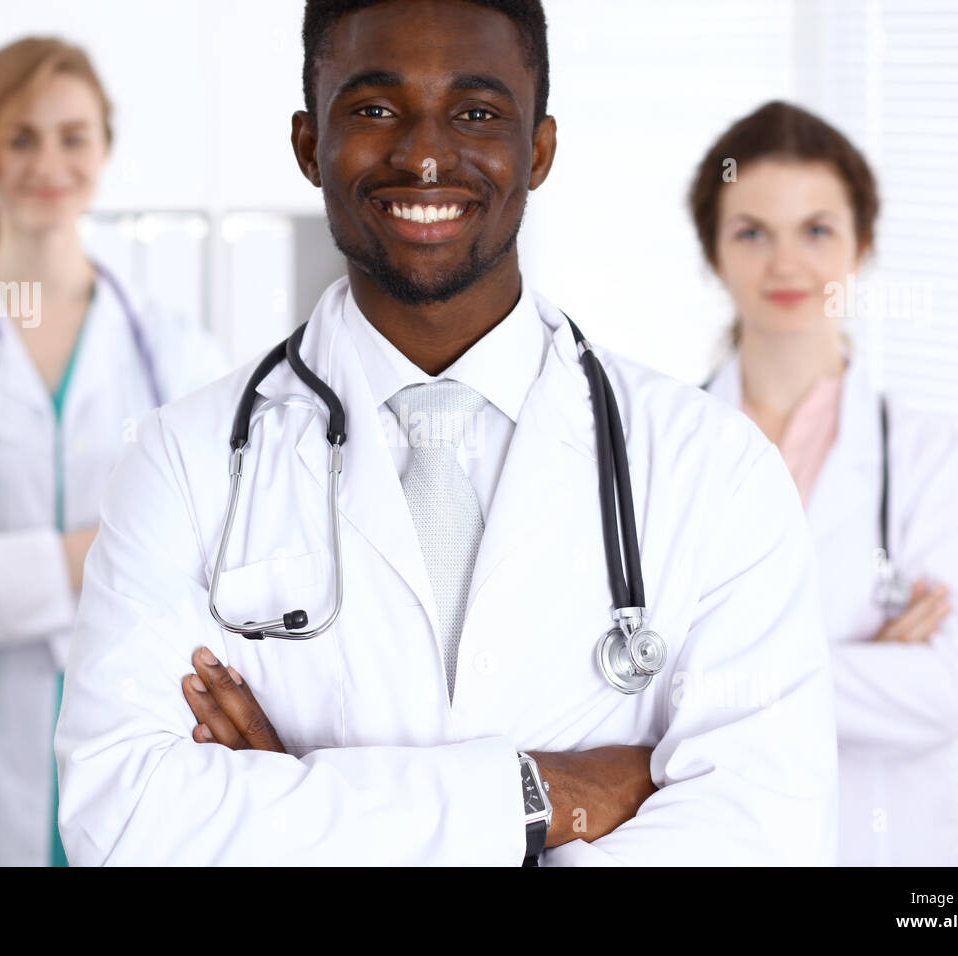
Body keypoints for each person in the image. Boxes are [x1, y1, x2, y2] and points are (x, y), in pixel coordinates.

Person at [55, 0, 838, 866]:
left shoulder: (712, 468)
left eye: (475, 113)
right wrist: (536, 799)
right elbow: (119, 818)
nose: (425, 155)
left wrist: (298, 808)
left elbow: (765, 832)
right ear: (309, 144)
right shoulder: (184, 459)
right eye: (375, 109)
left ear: (537, 150)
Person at [0, 37, 226, 865]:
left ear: (104, 148)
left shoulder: (180, 356)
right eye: (19, 136)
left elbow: (210, 576)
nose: (47, 162)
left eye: (72, 135)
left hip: (137, 751)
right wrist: (93, 556)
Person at [688, 100, 958, 865]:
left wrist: (720, 678)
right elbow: (617, 684)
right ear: (714, 252)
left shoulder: (922, 454)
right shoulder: (663, 447)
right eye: (752, 232)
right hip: (715, 837)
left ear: (862, 247)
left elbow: (946, 690)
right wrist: (864, 662)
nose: (786, 264)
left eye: (817, 230)